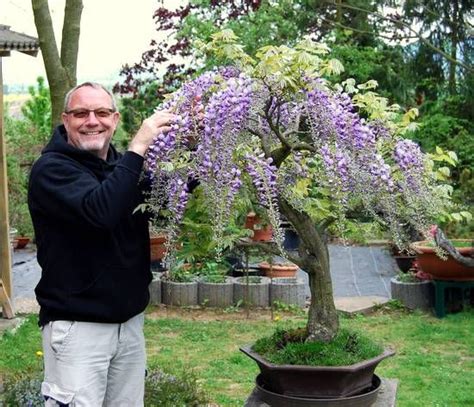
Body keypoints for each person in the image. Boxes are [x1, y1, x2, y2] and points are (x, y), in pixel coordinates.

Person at [28, 82, 175, 406]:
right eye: (81, 113)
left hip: (129, 325)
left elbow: (160, 198)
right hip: (79, 329)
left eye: (102, 113)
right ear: (65, 120)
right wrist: (139, 146)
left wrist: (196, 151)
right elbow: (101, 211)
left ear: (115, 118)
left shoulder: (119, 167)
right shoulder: (51, 170)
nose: (92, 120)